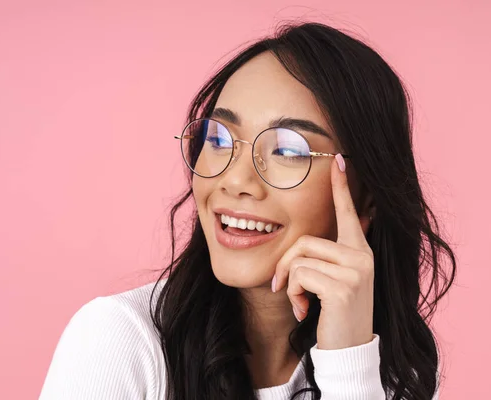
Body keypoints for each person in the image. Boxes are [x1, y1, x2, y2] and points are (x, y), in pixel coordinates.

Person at [39, 21, 456, 400]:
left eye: (288, 149)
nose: (236, 181)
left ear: (367, 198)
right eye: (219, 139)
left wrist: (349, 364)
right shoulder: (117, 340)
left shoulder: (399, 365)